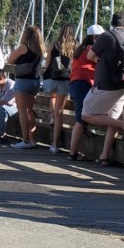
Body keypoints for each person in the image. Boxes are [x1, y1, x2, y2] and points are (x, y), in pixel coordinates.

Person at [81, 12, 124, 167]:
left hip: (107, 83)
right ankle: (104, 156)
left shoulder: (106, 36)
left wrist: (97, 58)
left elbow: (89, 55)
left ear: (112, 23)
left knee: (86, 114)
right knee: (112, 117)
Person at [66, 25, 103, 161]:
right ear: (95, 38)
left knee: (82, 117)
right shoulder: (90, 50)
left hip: (75, 83)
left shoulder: (80, 48)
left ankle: (75, 151)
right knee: (81, 119)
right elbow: (102, 62)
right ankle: (73, 153)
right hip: (84, 83)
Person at [6, 25, 45, 150]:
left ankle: (26, 140)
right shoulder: (40, 49)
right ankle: (32, 139)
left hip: (23, 81)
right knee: (29, 110)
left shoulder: (23, 47)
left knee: (22, 111)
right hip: (35, 81)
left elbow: (10, 60)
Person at [43, 24, 76, 154]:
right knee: (59, 112)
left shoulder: (53, 44)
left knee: (52, 96)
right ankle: (54, 145)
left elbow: (47, 63)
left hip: (51, 78)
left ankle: (51, 117)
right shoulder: (75, 46)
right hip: (65, 80)